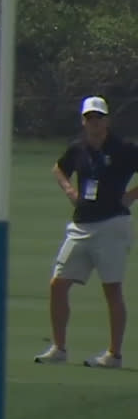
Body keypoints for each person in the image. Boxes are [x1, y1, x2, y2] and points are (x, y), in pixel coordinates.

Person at [34, 96, 136, 369]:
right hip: (81, 224)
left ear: (107, 120)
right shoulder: (77, 148)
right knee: (58, 284)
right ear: (83, 121)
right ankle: (59, 347)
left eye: (99, 118)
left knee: (112, 289)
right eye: (90, 118)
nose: (94, 123)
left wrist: (131, 195)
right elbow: (59, 168)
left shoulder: (123, 148)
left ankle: (114, 354)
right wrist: (69, 190)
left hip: (112, 223)